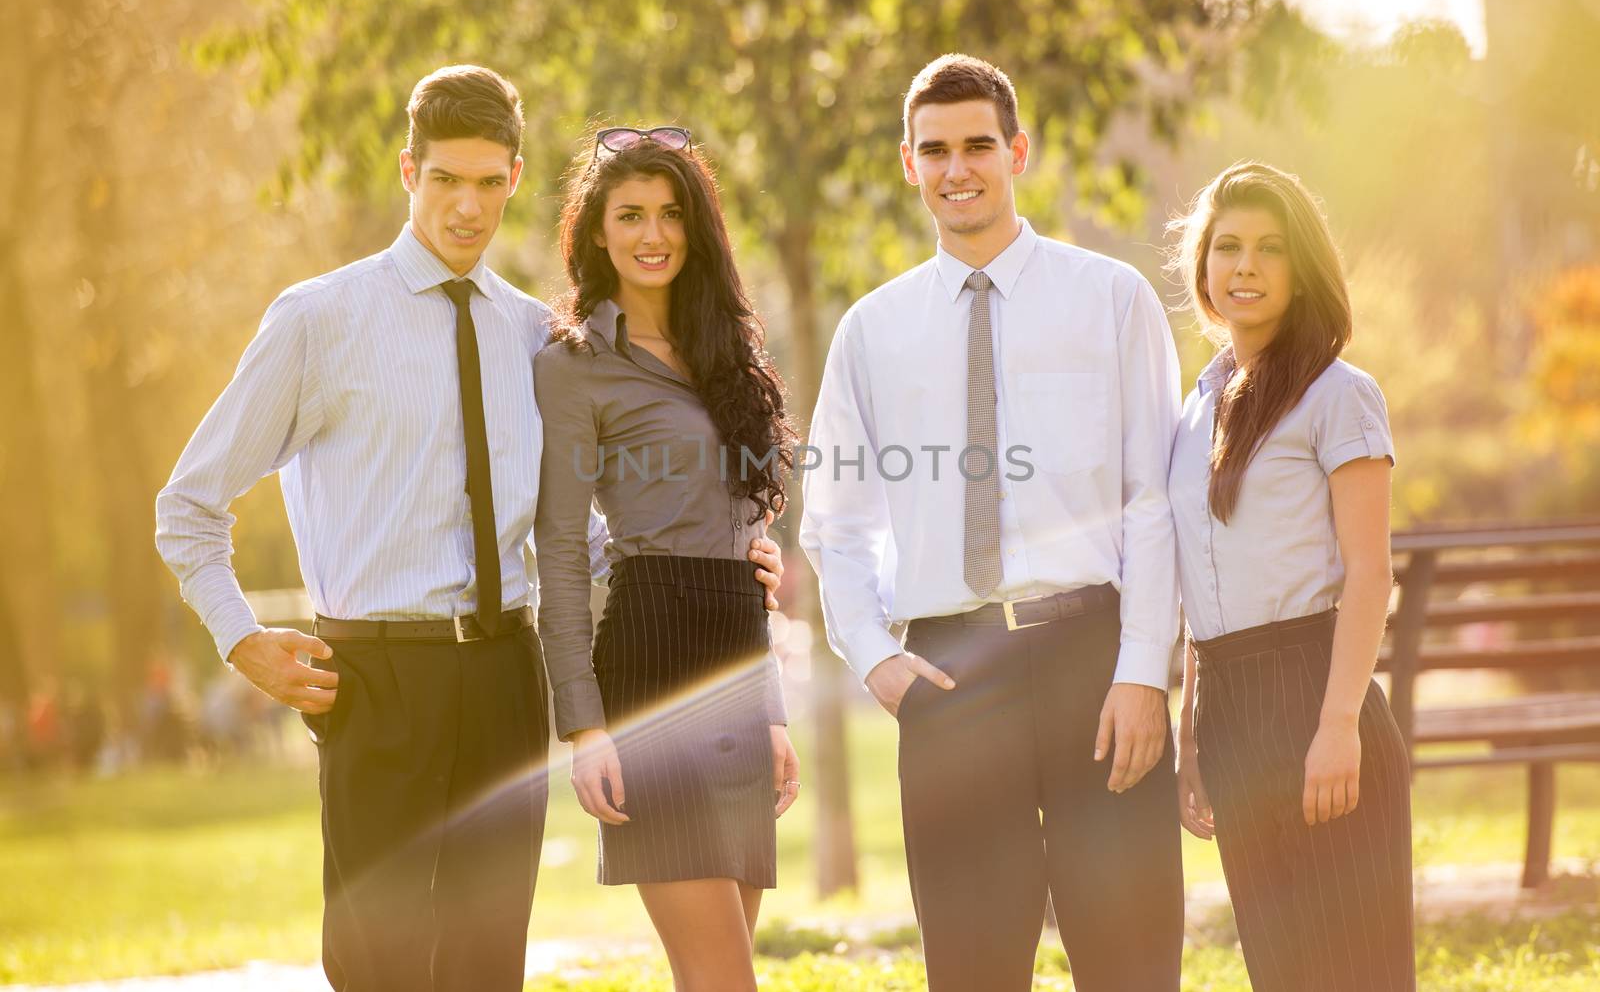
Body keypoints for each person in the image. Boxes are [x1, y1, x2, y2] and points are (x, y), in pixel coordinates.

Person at [154, 70, 785, 992]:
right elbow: (190, 504)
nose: (467, 206)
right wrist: (240, 635)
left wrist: (717, 555)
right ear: (409, 170)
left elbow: (571, 529)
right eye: (446, 178)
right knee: (380, 961)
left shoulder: (539, 337)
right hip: (376, 678)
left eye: (490, 183)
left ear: (517, 179)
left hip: (503, 676)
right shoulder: (319, 320)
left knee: (487, 963)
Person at [799, 53, 1185, 991]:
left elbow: (1155, 499)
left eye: (978, 144)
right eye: (935, 149)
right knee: (970, 967)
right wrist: (876, 659)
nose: (957, 168)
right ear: (908, 162)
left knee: (1131, 958)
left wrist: (1144, 671)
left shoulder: (1110, 298)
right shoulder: (871, 331)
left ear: (1018, 150)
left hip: (1093, 662)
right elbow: (834, 522)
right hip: (949, 675)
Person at [534, 129, 800, 992]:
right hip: (649, 653)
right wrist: (584, 726)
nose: (654, 233)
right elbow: (564, 554)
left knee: (718, 977)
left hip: (735, 647)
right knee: (725, 978)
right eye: (631, 214)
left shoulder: (729, 356)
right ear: (596, 233)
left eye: (671, 213)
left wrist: (772, 707)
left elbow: (748, 547)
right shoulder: (575, 367)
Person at [1169, 161, 1414, 991]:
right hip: (1230, 709)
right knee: (1282, 970)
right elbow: (1204, 578)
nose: (1245, 266)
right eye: (1228, 246)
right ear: (1202, 265)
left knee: (1355, 968)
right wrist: (1191, 734)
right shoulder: (1196, 407)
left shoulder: (1339, 395)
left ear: (1301, 265)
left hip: (1315, 692)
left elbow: (1370, 573)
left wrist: (1338, 722)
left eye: (1271, 248)